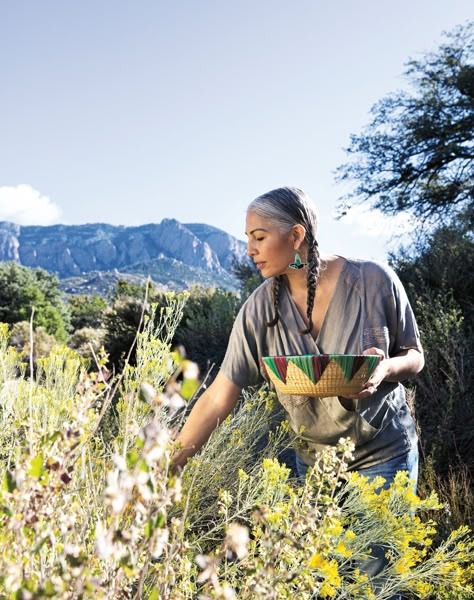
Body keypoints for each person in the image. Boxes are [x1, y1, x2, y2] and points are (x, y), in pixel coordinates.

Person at [172, 186, 424, 594]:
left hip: (383, 451)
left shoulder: (374, 280)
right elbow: (219, 396)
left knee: (380, 583)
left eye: (259, 237)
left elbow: (415, 356)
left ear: (296, 236)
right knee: (328, 580)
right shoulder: (258, 310)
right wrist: (169, 464)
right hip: (316, 465)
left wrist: (385, 368)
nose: (249, 250)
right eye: (247, 238)